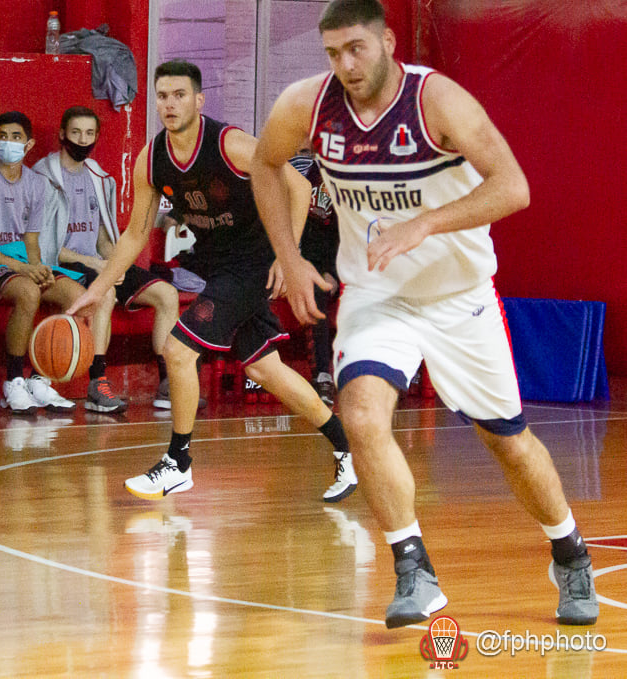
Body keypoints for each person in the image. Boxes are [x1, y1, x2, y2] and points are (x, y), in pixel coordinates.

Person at [246, 0, 597, 628]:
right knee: (360, 415)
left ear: (387, 41)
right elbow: (265, 165)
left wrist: (425, 223)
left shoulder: (439, 101)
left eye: (356, 49)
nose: (344, 66)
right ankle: (414, 567)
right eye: (332, 53)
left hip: (459, 297)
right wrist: (289, 256)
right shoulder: (306, 105)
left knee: (508, 444)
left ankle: (568, 548)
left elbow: (512, 187)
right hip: (377, 295)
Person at [68, 60, 356, 503]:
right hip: (217, 265)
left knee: (179, 349)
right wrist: (97, 288)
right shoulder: (154, 159)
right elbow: (134, 234)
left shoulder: (231, 145)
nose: (170, 104)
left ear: (199, 100)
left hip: (254, 262)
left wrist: (288, 255)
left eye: (179, 95)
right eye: (162, 96)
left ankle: (177, 463)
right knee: (265, 368)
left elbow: (298, 188)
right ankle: (345, 448)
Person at [0, 111, 115, 415]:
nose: (8, 142)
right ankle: (13, 381)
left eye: (16, 137)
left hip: (20, 260)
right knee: (28, 291)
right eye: (3, 136)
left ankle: (40, 378)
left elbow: (31, 239)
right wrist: (22, 269)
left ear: (29, 145)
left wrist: (38, 266)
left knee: (77, 298)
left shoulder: (36, 184)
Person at [36, 106, 182, 414]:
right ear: (62, 134)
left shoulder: (99, 177)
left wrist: (112, 262)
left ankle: (169, 384)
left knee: (167, 294)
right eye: (75, 132)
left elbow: (103, 238)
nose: (82, 139)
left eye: (89, 133)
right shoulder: (41, 176)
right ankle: (97, 384)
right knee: (105, 294)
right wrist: (101, 269)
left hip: (93, 263)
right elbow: (48, 246)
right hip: (59, 264)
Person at [291, 152, 340, 405]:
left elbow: (342, 232)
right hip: (279, 261)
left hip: (320, 264)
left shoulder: (334, 175)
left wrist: (333, 270)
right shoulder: (278, 169)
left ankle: (322, 375)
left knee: (316, 287)